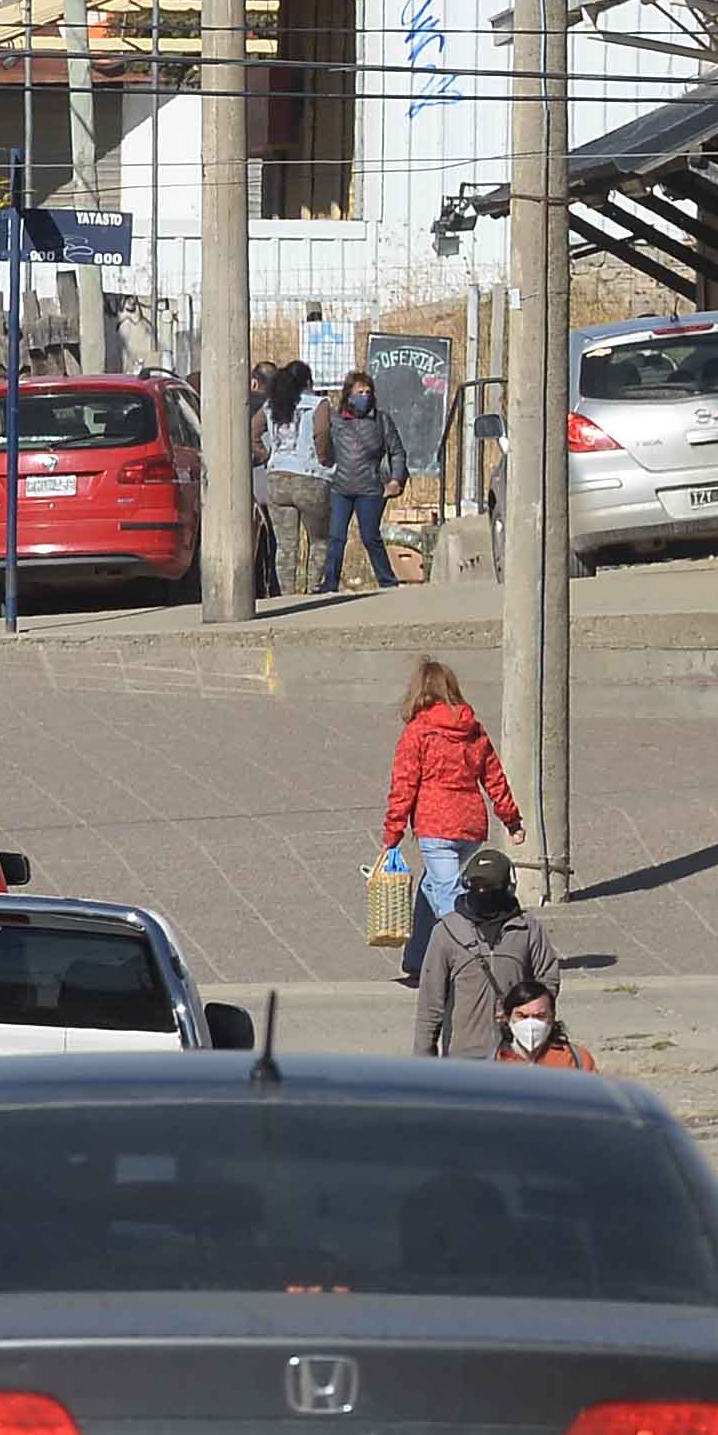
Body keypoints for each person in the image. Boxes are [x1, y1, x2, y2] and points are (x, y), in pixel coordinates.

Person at [380, 658, 528, 974]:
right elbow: (494, 777)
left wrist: (392, 835)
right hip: (471, 826)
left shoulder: (418, 732)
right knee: (431, 888)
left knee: (450, 897)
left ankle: (469, 964)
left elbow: (403, 786)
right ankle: (418, 957)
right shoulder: (472, 729)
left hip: (436, 827)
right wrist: (511, 820)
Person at [410, 841, 560, 1060]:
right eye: (477, 887)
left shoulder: (527, 928)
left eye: (490, 888)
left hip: (517, 1055)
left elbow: (548, 981)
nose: (483, 893)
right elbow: (430, 1004)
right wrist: (423, 1062)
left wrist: (527, 1013)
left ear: (507, 888)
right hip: (463, 1058)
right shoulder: (446, 932)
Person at [315, 369, 404, 592]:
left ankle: (387, 581)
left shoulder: (381, 421)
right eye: (359, 392)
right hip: (340, 488)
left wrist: (395, 480)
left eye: (368, 392)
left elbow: (397, 452)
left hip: (370, 489)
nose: (364, 396)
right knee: (335, 537)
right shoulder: (335, 421)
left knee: (370, 537)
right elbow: (321, 445)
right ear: (348, 395)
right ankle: (330, 584)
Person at [254, 365, 326, 601]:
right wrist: (325, 460)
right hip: (310, 477)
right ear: (308, 382)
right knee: (319, 539)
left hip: (278, 477)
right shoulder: (318, 405)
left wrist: (267, 456)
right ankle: (314, 590)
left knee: (286, 544)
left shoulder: (270, 406)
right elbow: (322, 435)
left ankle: (287, 595)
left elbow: (252, 434)